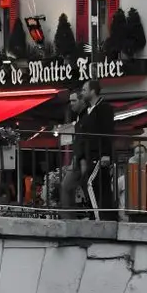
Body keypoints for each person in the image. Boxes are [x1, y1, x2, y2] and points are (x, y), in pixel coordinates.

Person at [77, 79, 116, 220]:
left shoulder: (104, 108)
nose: (82, 93)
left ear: (93, 91)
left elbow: (107, 132)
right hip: (91, 154)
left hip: (98, 154)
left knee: (90, 183)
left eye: (84, 90)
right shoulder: (88, 111)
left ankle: (98, 217)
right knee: (100, 186)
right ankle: (105, 216)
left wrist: (105, 154)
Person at [58, 91, 88, 219]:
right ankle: (70, 216)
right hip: (78, 158)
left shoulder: (85, 117)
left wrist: (80, 158)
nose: (71, 104)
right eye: (70, 101)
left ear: (82, 101)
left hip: (81, 158)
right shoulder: (80, 117)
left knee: (67, 186)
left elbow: (84, 140)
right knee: (68, 187)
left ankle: (69, 217)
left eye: (74, 101)